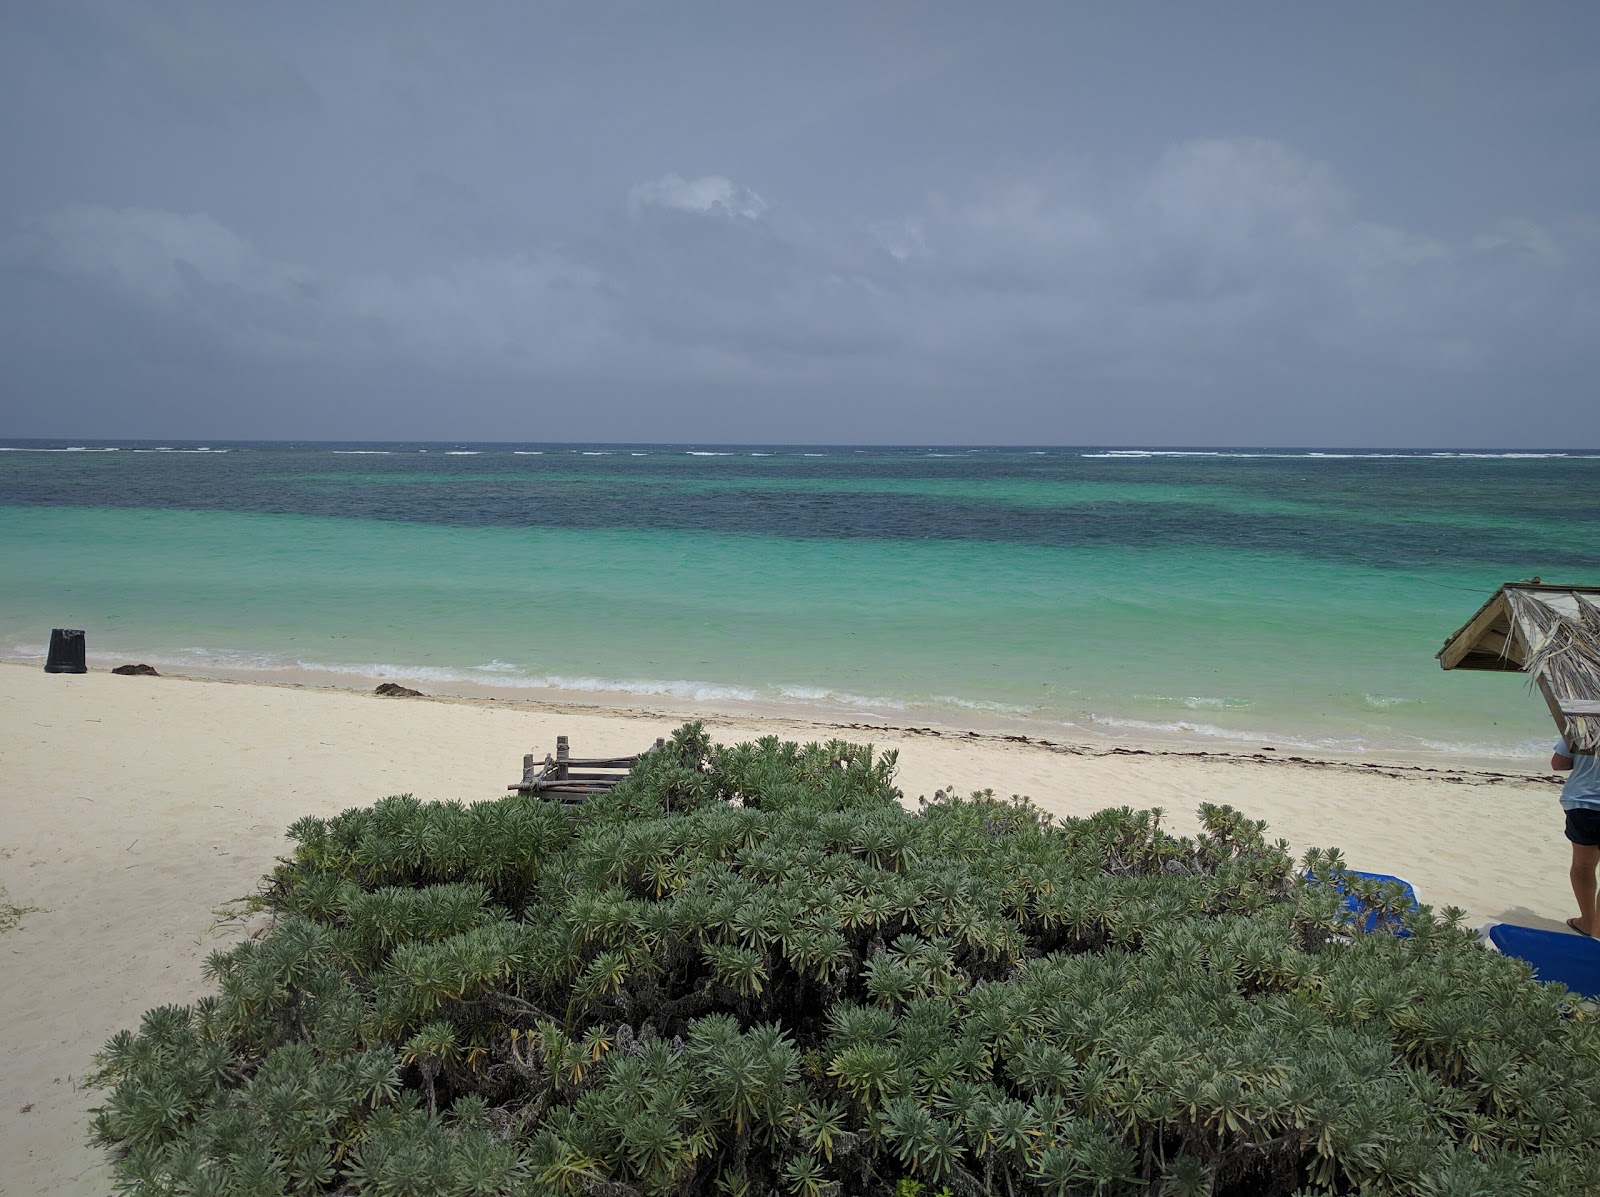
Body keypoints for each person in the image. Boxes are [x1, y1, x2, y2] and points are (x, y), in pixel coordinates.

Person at [1552, 734, 1600, 937]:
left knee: (1583, 865)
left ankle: (1589, 922)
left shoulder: (1584, 724)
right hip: (1583, 801)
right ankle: (1597, 930)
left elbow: (1558, 763)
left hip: (1584, 800)